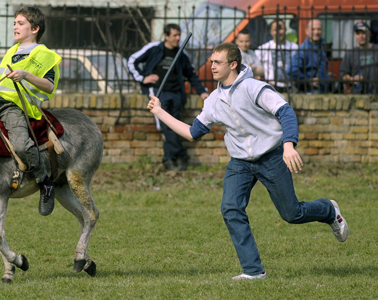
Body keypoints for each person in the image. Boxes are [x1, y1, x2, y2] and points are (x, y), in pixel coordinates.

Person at [147, 42, 349, 280]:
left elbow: (286, 112)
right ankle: (253, 271)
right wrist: (160, 111)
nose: (211, 66)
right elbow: (193, 133)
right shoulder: (213, 100)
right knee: (230, 208)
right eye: (211, 61)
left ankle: (328, 210)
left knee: (292, 214)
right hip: (240, 162)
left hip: (272, 156)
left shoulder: (255, 88)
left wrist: (288, 145)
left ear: (233, 64)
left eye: (217, 62)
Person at [0, 6, 61, 216]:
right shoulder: (12, 51)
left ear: (35, 28)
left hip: (15, 107)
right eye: (15, 23)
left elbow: (49, 87)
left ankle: (45, 182)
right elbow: (3, 81)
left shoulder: (45, 55)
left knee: (22, 147)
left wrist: (26, 75)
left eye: (20, 23)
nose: (15, 26)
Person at [128, 24, 209, 171]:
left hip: (176, 93)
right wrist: (142, 78)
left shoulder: (181, 54)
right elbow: (132, 60)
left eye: (179, 35)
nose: (178, 38)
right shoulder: (154, 48)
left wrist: (202, 91)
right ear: (166, 36)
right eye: (174, 35)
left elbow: (191, 74)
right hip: (159, 92)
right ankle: (175, 157)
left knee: (174, 125)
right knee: (165, 126)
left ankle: (172, 158)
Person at [256, 19, 298, 93]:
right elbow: (256, 67)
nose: (278, 32)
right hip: (272, 87)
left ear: (285, 30)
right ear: (271, 32)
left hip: (291, 86)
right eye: (275, 30)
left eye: (280, 29)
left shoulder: (295, 48)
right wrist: (263, 80)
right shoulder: (263, 48)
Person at [288, 19, 330, 93]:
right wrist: (308, 80)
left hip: (323, 90)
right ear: (306, 31)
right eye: (313, 29)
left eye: (319, 29)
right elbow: (291, 71)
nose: (316, 32)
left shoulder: (320, 46)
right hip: (310, 91)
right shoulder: (303, 49)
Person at [339, 21, 378, 94]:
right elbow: (343, 74)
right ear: (354, 35)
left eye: (363, 33)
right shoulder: (350, 54)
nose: (361, 36)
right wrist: (352, 79)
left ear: (369, 33)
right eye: (358, 33)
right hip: (358, 96)